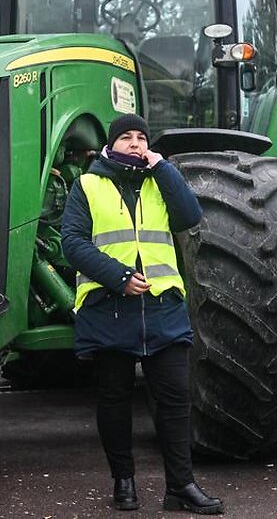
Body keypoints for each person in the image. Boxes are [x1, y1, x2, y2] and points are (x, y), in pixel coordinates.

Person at [62, 113, 223, 514]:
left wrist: (163, 167)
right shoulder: (87, 185)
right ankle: (123, 482)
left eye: (141, 138)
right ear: (110, 145)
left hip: (162, 307)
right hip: (110, 308)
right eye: (127, 138)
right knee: (114, 399)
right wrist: (117, 276)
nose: (135, 143)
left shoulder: (159, 180)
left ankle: (181, 487)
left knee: (174, 401)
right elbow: (73, 244)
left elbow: (189, 216)